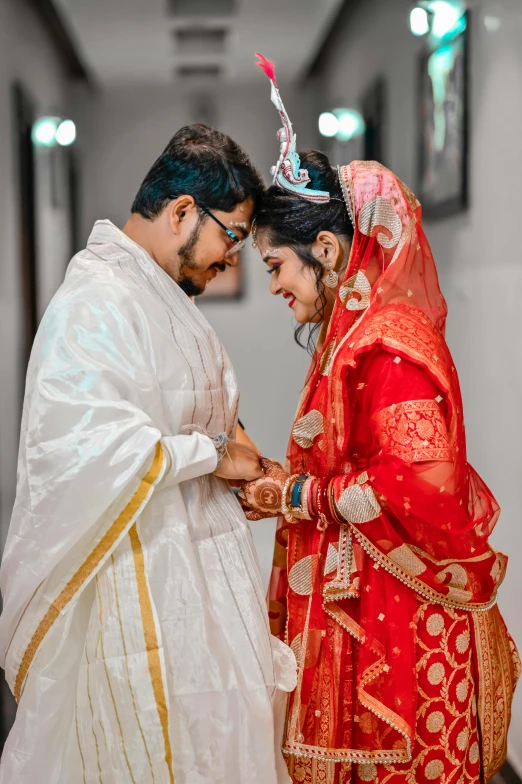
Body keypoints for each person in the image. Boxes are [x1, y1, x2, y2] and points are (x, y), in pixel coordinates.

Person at [239, 57, 520, 783]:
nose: (272, 285)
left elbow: (414, 486)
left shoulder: (388, 345)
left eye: (276, 267)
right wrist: (281, 479)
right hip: (365, 597)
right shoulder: (351, 334)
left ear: (325, 252)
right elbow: (350, 466)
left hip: (400, 617)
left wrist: (294, 496)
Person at [0, 123, 296, 784]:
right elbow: (86, 451)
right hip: (139, 590)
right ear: (183, 212)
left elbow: (184, 402)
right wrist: (216, 456)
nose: (233, 259)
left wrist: (240, 455)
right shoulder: (95, 302)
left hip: (201, 586)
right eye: (235, 237)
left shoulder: (152, 293)